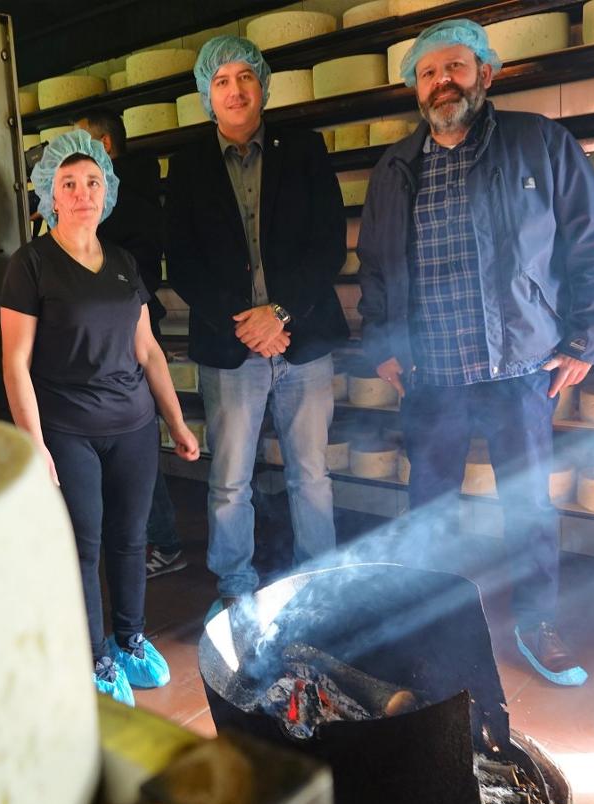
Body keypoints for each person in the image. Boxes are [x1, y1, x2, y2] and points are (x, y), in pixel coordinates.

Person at [356, 20, 594, 686]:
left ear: (485, 73)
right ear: (415, 87)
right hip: (433, 372)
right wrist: (385, 346)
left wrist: (587, 337)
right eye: (428, 72)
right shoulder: (395, 166)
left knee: (529, 506)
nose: (442, 81)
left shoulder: (539, 142)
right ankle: (426, 619)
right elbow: (376, 266)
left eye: (455, 67)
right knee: (430, 507)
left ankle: (536, 625)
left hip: (520, 366)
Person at [0, 129, 200, 706]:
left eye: (92, 182)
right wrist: (34, 442)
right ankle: (94, 654)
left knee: (131, 539)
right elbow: (16, 363)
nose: (82, 192)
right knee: (83, 545)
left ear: (106, 191)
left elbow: (149, 351)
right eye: (69, 183)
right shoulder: (31, 265)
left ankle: (131, 637)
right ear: (51, 196)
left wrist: (177, 424)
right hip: (68, 429)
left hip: (133, 425)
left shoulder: (121, 262)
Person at [164, 36, 348, 617]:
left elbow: (329, 245)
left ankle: (319, 580)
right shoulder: (190, 165)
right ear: (206, 95)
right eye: (222, 81)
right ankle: (236, 583)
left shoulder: (305, 149)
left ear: (262, 86)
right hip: (231, 345)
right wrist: (245, 324)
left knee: (311, 474)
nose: (236, 89)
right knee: (229, 478)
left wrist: (282, 313)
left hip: (304, 337)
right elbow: (182, 261)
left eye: (245, 77)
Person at [73, 106, 186, 579]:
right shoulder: (99, 202)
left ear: (105, 147)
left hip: (126, 335)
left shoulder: (127, 204)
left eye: (80, 144)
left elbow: (130, 276)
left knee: (134, 442)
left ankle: (161, 539)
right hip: (96, 340)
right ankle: (143, 538)